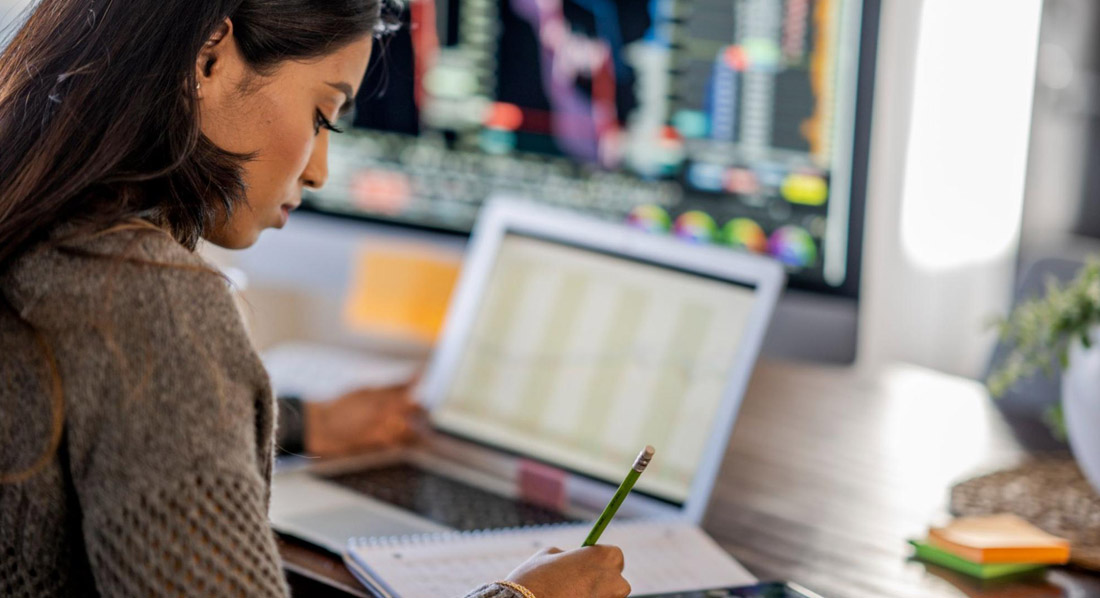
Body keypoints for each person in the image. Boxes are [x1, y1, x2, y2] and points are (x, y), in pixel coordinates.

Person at [0, 2, 633, 597]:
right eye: (322, 115)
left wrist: (304, 421)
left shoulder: (37, 226)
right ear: (209, 57)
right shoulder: (150, 302)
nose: (319, 171)